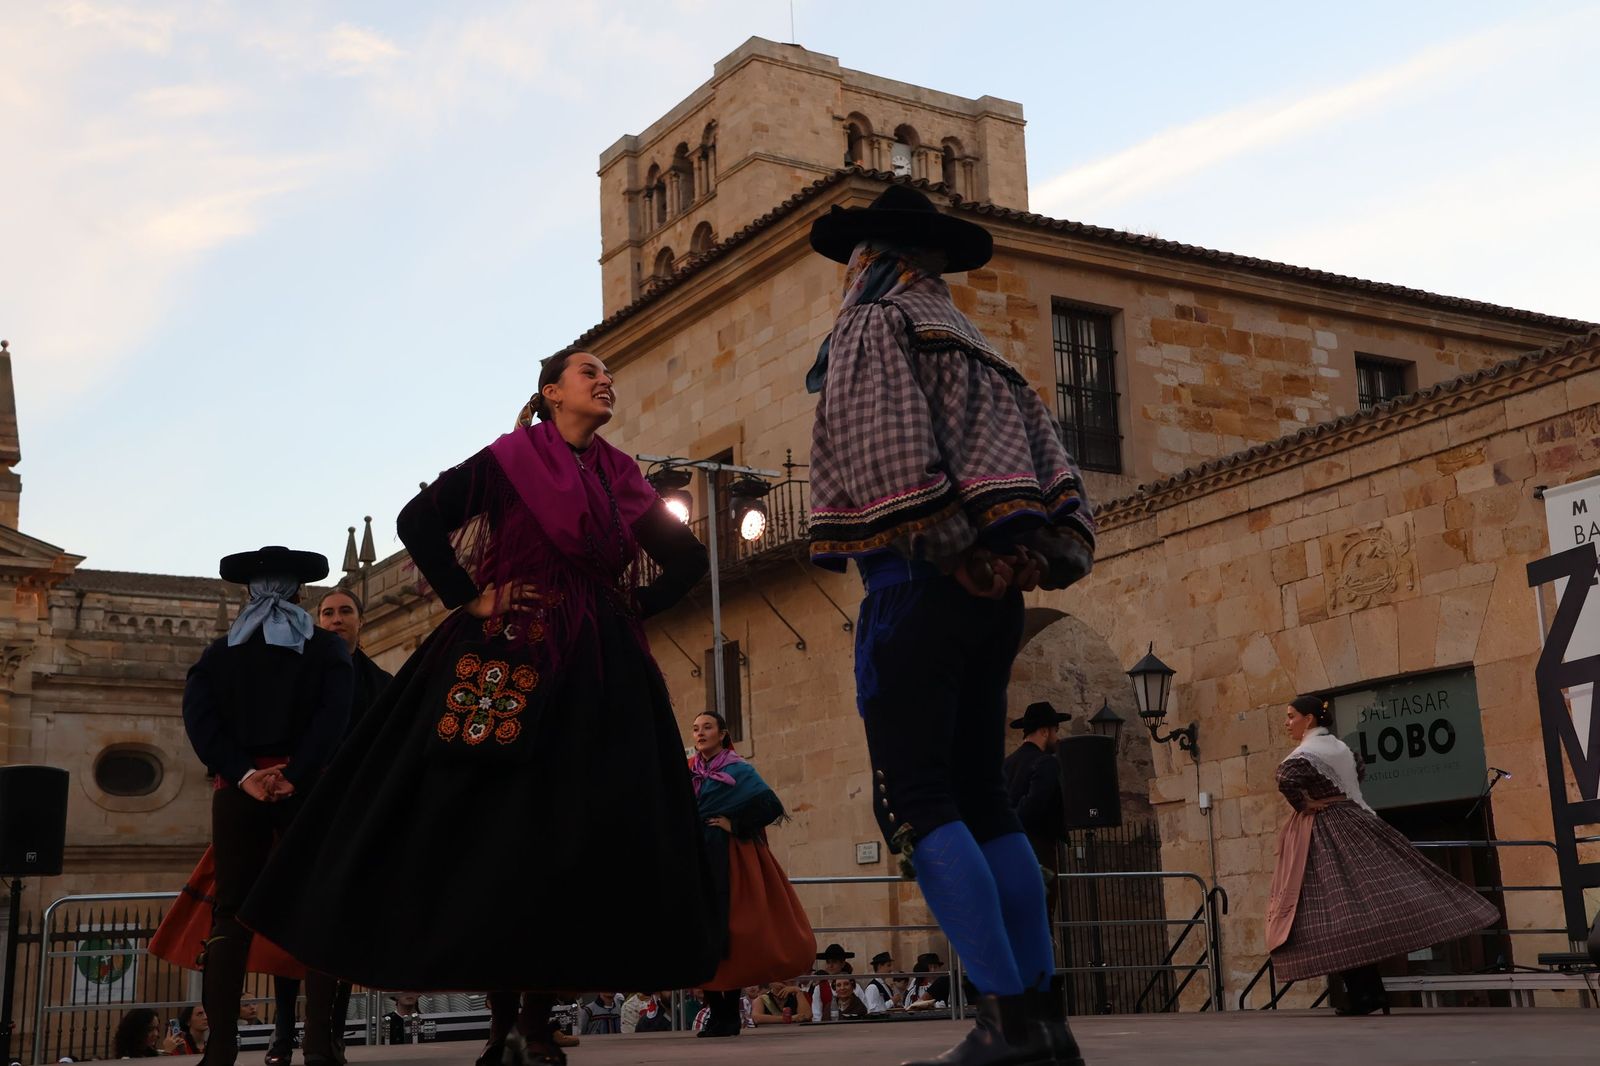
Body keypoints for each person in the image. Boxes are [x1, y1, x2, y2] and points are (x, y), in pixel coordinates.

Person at [239, 348, 720, 1066]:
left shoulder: (620, 475)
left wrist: (632, 607)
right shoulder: (509, 461)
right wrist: (471, 597)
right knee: (493, 831)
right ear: (551, 392)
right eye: (589, 372)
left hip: (598, 669)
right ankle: (500, 1022)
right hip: (507, 654)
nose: (605, 380)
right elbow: (417, 520)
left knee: (572, 835)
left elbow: (688, 559)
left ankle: (536, 1021)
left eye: (608, 374)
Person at [806, 184, 1094, 1066]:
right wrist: (1032, 555)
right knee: (983, 797)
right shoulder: (987, 351)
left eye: (855, 259)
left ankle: (1003, 1020)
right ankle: (1043, 1018)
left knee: (917, 800)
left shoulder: (873, 324)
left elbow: (886, 449)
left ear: (875, 259)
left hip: (917, 587)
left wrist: (951, 546)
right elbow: (1060, 481)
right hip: (994, 605)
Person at [182, 546, 352, 1066]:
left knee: (230, 914)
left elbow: (200, 720)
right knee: (316, 907)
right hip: (307, 789)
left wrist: (245, 774)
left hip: (238, 792)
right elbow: (333, 718)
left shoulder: (219, 653)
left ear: (248, 593)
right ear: (301, 593)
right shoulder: (326, 649)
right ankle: (319, 1045)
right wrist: (293, 775)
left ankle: (221, 1047)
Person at [1266, 694, 1499, 1016]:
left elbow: (1286, 778)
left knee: (1334, 915)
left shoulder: (1306, 753)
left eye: (1292, 716)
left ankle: (1366, 995)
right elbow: (1358, 769)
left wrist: (1305, 804)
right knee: (1361, 911)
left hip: (1327, 830)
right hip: (1357, 820)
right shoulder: (1340, 748)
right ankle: (1370, 993)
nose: (1287, 723)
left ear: (1309, 719)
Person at [267, 589, 396, 1066]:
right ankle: (284, 1031)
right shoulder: (297, 675)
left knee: (340, 924)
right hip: (297, 809)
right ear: (317, 622)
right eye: (328, 613)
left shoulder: (383, 684)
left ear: (361, 620)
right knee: (285, 922)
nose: (336, 619)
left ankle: (331, 1034)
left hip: (352, 814)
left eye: (345, 611)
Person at [690, 710, 814, 1038]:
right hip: (698, 859)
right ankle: (718, 1014)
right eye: (695, 729)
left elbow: (770, 806)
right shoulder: (688, 770)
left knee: (730, 933)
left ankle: (728, 1016)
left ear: (722, 734)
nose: (700, 733)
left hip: (727, 860)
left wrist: (735, 824)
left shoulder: (738, 769)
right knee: (703, 934)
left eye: (707, 727)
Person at [1002, 702, 1070, 912]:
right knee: (1041, 915)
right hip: (1037, 851)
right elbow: (1034, 805)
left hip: (1008, 852)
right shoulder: (1046, 763)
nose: (1057, 738)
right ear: (1044, 731)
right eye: (1055, 731)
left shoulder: (1007, 764)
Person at [807, 943, 855, 1022]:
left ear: (842, 964)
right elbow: (817, 1015)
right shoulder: (819, 988)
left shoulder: (853, 986)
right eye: (828, 962)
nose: (830, 965)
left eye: (834, 962)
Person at [112, 1009, 181, 1058]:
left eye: (157, 1028)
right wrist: (167, 1052)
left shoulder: (152, 1052)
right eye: (149, 1029)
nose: (156, 1034)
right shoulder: (126, 1059)